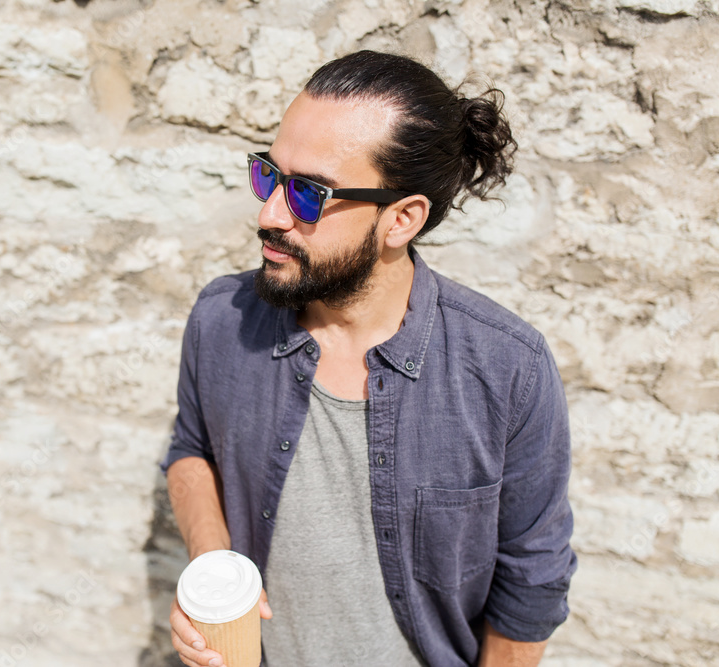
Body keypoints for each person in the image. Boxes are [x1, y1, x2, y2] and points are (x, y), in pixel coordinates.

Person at [160, 50, 576, 667]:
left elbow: (532, 577)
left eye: (308, 194)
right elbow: (191, 451)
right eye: (270, 176)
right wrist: (215, 574)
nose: (270, 213)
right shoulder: (224, 319)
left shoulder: (507, 368)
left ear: (401, 219)